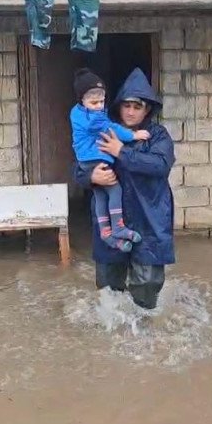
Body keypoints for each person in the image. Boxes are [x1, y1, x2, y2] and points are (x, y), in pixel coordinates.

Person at [74, 67, 176, 310]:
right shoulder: (103, 129)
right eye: (126, 106)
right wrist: (91, 176)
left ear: (147, 109)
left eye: (137, 107)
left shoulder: (157, 136)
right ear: (118, 106)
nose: (130, 112)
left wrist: (121, 151)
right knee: (109, 290)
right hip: (112, 220)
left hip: (148, 218)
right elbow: (79, 166)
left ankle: (144, 338)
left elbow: (160, 165)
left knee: (147, 288)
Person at [69, 68, 149, 253]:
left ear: (147, 110)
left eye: (102, 101)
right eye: (94, 102)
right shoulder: (95, 119)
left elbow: (157, 166)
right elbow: (111, 128)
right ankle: (118, 227)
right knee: (114, 189)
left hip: (88, 161)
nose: (98, 106)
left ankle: (106, 232)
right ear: (82, 100)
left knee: (100, 196)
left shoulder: (78, 113)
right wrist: (133, 135)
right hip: (95, 161)